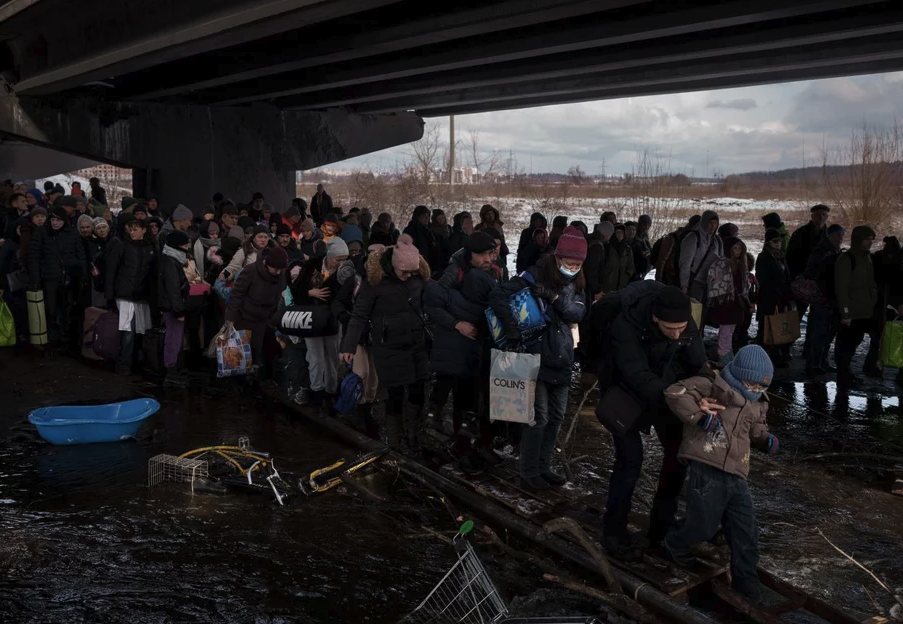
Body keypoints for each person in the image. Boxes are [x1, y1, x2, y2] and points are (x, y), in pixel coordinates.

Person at [599, 282, 706, 560]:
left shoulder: (685, 323)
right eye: (671, 328)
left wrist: (706, 394)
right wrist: (678, 397)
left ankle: (662, 527)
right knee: (629, 461)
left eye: (682, 328)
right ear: (656, 318)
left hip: (667, 390)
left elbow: (698, 364)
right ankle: (614, 532)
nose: (677, 334)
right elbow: (637, 376)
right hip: (624, 392)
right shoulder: (626, 326)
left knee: (678, 455)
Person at [663, 345, 779, 603]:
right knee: (702, 526)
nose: (756, 390)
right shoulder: (712, 386)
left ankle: (747, 587)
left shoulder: (758, 402)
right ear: (738, 375)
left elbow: (756, 429)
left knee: (746, 532)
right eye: (752, 384)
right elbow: (674, 393)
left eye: (762, 386)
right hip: (707, 466)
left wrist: (766, 439)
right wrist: (699, 417)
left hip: (737, 472)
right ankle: (675, 541)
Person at [489, 226, 587, 490]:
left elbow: (578, 313)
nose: (573, 268)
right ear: (557, 257)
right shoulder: (534, 274)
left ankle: (544, 468)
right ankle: (528, 471)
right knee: (537, 417)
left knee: (556, 417)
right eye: (569, 263)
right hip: (535, 356)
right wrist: (511, 326)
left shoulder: (577, 282)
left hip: (562, 356)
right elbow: (498, 295)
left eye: (578, 264)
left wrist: (554, 298)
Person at [340, 235, 431, 454]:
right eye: (404, 272)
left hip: (416, 343)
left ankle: (414, 435)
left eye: (412, 272)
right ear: (394, 265)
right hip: (388, 346)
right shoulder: (375, 283)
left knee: (419, 390)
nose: (408, 276)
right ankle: (394, 441)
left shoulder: (418, 278)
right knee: (395, 394)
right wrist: (349, 345)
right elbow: (359, 315)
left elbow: (430, 303)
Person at [425, 231, 498, 468]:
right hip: (457, 344)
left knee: (475, 399)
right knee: (462, 397)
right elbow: (434, 305)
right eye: (482, 255)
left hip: (479, 345)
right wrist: (458, 324)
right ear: (470, 254)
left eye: (490, 254)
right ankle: (461, 448)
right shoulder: (454, 271)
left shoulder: (491, 271)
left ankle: (473, 446)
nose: (488, 259)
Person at [28, 206, 87, 354]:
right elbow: (34, 257)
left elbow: (80, 255)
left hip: (69, 277)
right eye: (53, 219)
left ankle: (65, 341)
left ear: (64, 221)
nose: (55, 223)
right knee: (51, 311)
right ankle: (52, 342)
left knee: (68, 311)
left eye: (58, 220)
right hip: (50, 278)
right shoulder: (41, 232)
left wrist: (82, 276)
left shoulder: (72, 232)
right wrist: (35, 279)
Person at [226, 247, 289, 381]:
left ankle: (257, 378)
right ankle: (238, 382)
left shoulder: (281, 274)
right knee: (240, 355)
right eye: (275, 269)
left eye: (281, 269)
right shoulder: (251, 270)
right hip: (245, 317)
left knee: (258, 352)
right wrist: (230, 318)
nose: (278, 272)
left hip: (266, 318)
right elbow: (237, 294)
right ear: (267, 264)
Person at [104, 218, 156, 375]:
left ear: (143, 230)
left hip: (141, 295)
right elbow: (111, 270)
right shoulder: (122, 246)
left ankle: (136, 362)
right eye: (130, 229)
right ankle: (124, 364)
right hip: (125, 295)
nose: (132, 232)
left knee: (140, 330)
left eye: (135, 229)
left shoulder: (151, 248)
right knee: (128, 331)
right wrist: (110, 295)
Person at [834, 225, 878, 387]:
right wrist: (845, 313)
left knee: (854, 342)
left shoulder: (867, 258)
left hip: (863, 311)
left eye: (871, 240)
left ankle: (846, 373)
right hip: (851, 312)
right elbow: (841, 289)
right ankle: (843, 375)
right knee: (846, 344)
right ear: (858, 240)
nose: (870, 243)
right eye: (867, 239)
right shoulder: (846, 259)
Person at [802, 224, 845, 378]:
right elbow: (812, 273)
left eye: (842, 236)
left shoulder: (832, 250)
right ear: (831, 235)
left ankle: (821, 361)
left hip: (828, 298)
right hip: (821, 298)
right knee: (819, 332)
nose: (841, 239)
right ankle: (813, 364)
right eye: (838, 236)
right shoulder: (822, 252)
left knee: (826, 332)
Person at [706, 237, 750, 364]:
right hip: (725, 302)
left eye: (740, 248)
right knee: (726, 330)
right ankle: (724, 353)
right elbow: (713, 282)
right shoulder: (721, 264)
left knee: (729, 330)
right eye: (735, 248)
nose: (737, 251)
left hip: (735, 301)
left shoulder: (741, 263)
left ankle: (726, 352)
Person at [755, 228, 793, 367]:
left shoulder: (781, 256)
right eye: (775, 241)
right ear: (768, 242)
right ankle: (761, 357)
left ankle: (777, 355)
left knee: (780, 327)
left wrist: (788, 293)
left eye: (779, 241)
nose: (778, 243)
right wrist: (776, 291)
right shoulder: (763, 257)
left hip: (781, 298)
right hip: (769, 298)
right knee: (766, 328)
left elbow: (786, 276)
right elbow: (762, 278)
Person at [867, 237, 903, 380]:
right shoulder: (893, 259)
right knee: (880, 335)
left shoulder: (879, 257)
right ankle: (872, 365)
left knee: (879, 336)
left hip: (882, 303)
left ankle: (872, 365)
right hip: (885, 304)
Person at [679, 210, 722, 310]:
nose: (713, 226)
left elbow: (720, 262)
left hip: (710, 283)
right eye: (710, 223)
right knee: (694, 311)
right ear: (704, 223)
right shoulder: (693, 238)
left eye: (715, 223)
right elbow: (685, 263)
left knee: (705, 313)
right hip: (695, 281)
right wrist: (684, 285)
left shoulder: (717, 241)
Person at [652, 215, 700, 287]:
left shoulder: (695, 239)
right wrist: (658, 278)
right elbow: (662, 259)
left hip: (681, 276)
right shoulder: (673, 238)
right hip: (670, 276)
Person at [786, 204, 830, 279]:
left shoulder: (830, 235)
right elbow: (790, 257)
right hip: (802, 276)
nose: (821, 217)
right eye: (818, 214)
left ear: (827, 217)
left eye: (824, 214)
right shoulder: (800, 233)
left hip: (822, 277)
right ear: (812, 216)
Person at [403, 205, 443, 274]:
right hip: (418, 267)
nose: (427, 218)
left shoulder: (429, 230)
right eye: (424, 216)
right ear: (417, 217)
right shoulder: (410, 230)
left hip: (431, 267)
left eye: (428, 216)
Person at [584, 222, 613, 303]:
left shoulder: (588, 239)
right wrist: (596, 290)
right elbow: (592, 269)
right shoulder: (597, 246)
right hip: (589, 287)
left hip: (583, 283)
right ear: (607, 235)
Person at [602, 224, 635, 293]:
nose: (620, 234)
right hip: (608, 284)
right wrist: (606, 274)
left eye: (622, 232)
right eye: (617, 232)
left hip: (622, 285)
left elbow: (630, 265)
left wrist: (627, 275)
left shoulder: (627, 249)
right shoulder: (607, 247)